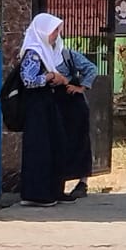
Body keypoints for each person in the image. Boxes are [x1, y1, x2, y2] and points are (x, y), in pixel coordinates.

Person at [17, 12, 72, 208]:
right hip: (36, 107)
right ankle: (37, 194)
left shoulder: (45, 51)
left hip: (46, 104)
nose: (56, 34)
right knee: (39, 149)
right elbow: (29, 80)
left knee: (52, 146)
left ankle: (51, 191)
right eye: (53, 30)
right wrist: (49, 77)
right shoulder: (33, 52)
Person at [56, 44, 101, 201]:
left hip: (74, 105)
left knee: (80, 141)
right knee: (59, 143)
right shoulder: (40, 56)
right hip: (55, 105)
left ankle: (82, 182)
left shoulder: (67, 55)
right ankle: (58, 182)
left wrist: (81, 87)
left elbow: (91, 68)